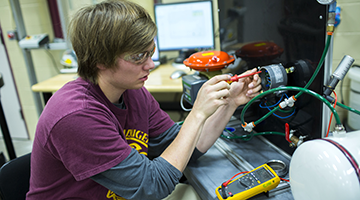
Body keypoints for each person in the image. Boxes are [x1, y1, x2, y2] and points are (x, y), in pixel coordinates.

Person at [26, 0, 261, 199]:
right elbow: (151, 187)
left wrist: (229, 103)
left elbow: (184, 148)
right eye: (138, 57)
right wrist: (197, 113)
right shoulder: (76, 115)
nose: (150, 65)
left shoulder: (132, 91)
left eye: (151, 52)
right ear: (100, 60)